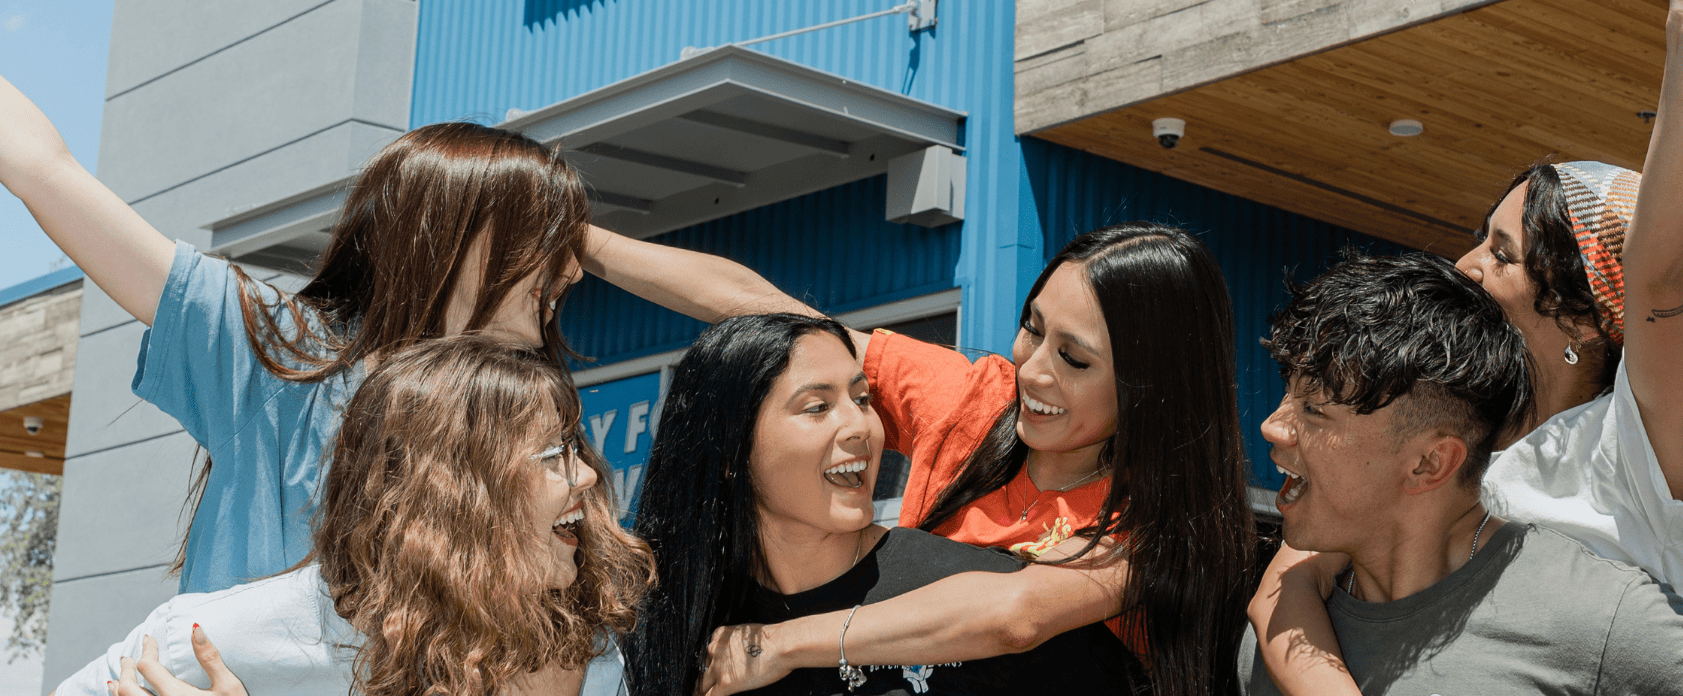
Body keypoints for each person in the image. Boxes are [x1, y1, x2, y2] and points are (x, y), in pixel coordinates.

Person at [1249, 0, 1683, 693]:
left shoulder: (1635, 455)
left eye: (1504, 254)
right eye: (1479, 240)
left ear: (1588, 320)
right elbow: (1286, 583)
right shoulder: (1446, 427)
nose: (1467, 266)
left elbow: (1656, 273)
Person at [591, 222, 1257, 696]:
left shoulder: (1172, 521)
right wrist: (581, 242)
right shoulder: (982, 404)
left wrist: (781, 645)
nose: (1031, 368)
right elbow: (769, 315)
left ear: (1155, 388)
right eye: (1032, 326)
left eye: (1074, 359)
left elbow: (1013, 614)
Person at [0, 81, 608, 593]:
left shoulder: (533, 426)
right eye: (546, 235)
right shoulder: (281, 356)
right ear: (454, 233)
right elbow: (44, 171)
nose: (575, 270)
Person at [1242, 254, 1683, 695]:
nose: (1272, 427)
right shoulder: (1277, 630)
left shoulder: (1593, 615)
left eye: (1313, 411)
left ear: (1430, 463)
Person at [53, 336, 655, 696]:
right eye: (553, 456)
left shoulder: (595, 644)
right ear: (452, 493)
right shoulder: (239, 636)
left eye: (575, 449)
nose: (585, 476)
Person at [624, 312, 1137, 696]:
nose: (862, 427)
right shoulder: (684, 622)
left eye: (863, 398)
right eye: (818, 407)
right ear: (730, 452)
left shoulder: (978, 597)